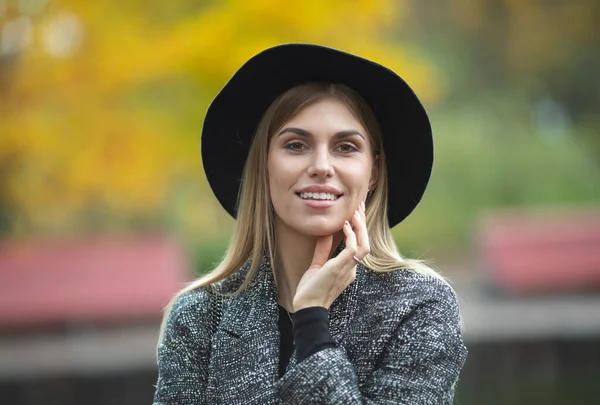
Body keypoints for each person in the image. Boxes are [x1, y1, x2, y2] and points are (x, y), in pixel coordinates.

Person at [153, 43, 467, 404]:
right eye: (296, 145)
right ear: (263, 165)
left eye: (346, 147)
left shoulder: (419, 305)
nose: (321, 165)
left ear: (375, 171)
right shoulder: (198, 318)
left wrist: (312, 323)